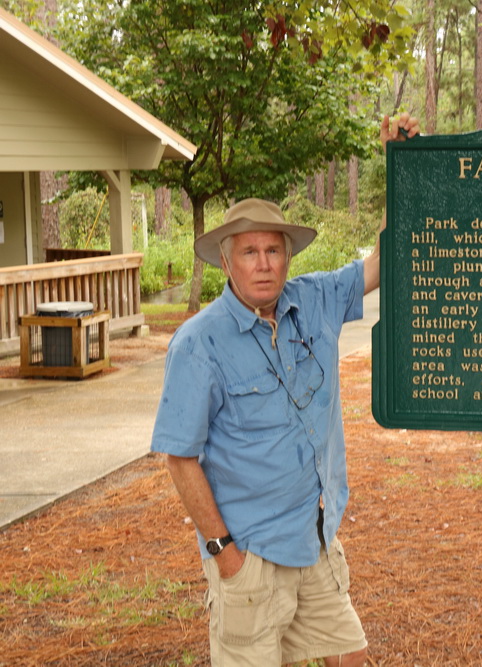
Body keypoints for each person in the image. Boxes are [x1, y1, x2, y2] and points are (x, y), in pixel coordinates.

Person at [151, 113, 420, 666]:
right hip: (249, 555)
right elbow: (179, 457)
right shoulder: (198, 344)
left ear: (288, 256)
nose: (263, 264)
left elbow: (387, 257)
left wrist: (403, 167)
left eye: (273, 251)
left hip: (314, 541)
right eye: (248, 253)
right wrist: (224, 553)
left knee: (351, 656)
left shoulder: (316, 300)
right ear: (226, 261)